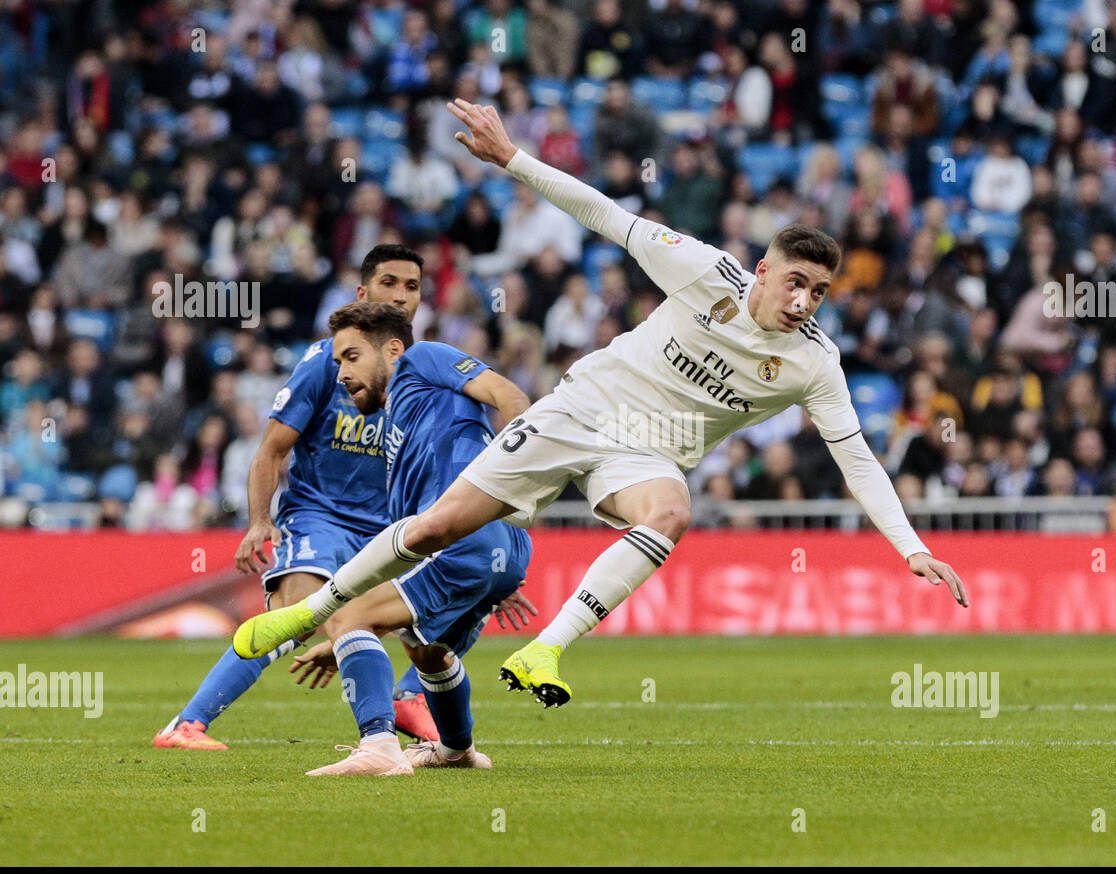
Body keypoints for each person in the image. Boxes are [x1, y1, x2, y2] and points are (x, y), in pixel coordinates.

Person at [233, 99, 968, 712]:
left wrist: (913, 547)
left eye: (820, 292)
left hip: (647, 451)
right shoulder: (704, 270)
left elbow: (858, 459)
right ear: (765, 271)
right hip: (581, 408)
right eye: (796, 282)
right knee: (433, 529)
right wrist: (512, 159)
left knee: (671, 514)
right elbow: (606, 216)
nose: (805, 301)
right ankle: (311, 609)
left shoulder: (814, 362)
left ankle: (546, 649)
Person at [154, 246, 443, 750]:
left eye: (412, 286)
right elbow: (271, 450)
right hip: (321, 517)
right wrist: (259, 520)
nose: (400, 295)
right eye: (389, 282)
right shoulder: (323, 363)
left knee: (448, 616)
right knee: (299, 616)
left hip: (389, 528)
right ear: (362, 292)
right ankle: (186, 724)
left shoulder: (426, 371)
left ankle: (403, 705)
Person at [284, 301, 534, 775]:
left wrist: (351, 630)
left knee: (348, 615)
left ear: (393, 349)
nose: (341, 374)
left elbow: (509, 395)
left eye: (352, 357)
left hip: (468, 536)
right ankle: (457, 751)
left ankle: (379, 747)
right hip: (499, 548)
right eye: (337, 362)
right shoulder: (404, 424)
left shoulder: (422, 360)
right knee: (428, 652)